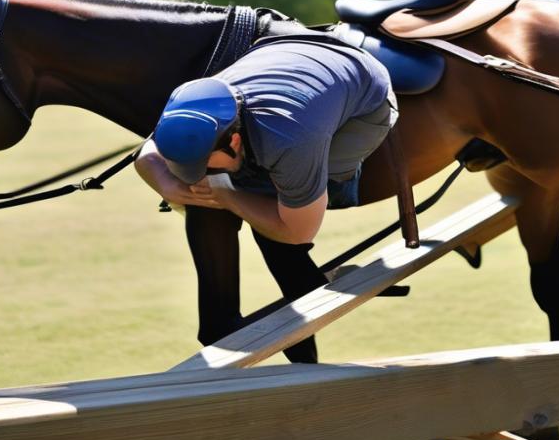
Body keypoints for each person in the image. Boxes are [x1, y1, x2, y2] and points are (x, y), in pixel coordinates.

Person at [136, 34, 396, 363]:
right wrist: (168, 186)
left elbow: (297, 231)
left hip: (364, 95)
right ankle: (299, 305)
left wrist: (227, 195)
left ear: (232, 141)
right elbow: (146, 155)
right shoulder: (191, 105)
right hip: (282, 51)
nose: (201, 174)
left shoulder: (289, 138)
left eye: (205, 165)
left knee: (271, 212)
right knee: (234, 190)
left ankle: (304, 332)